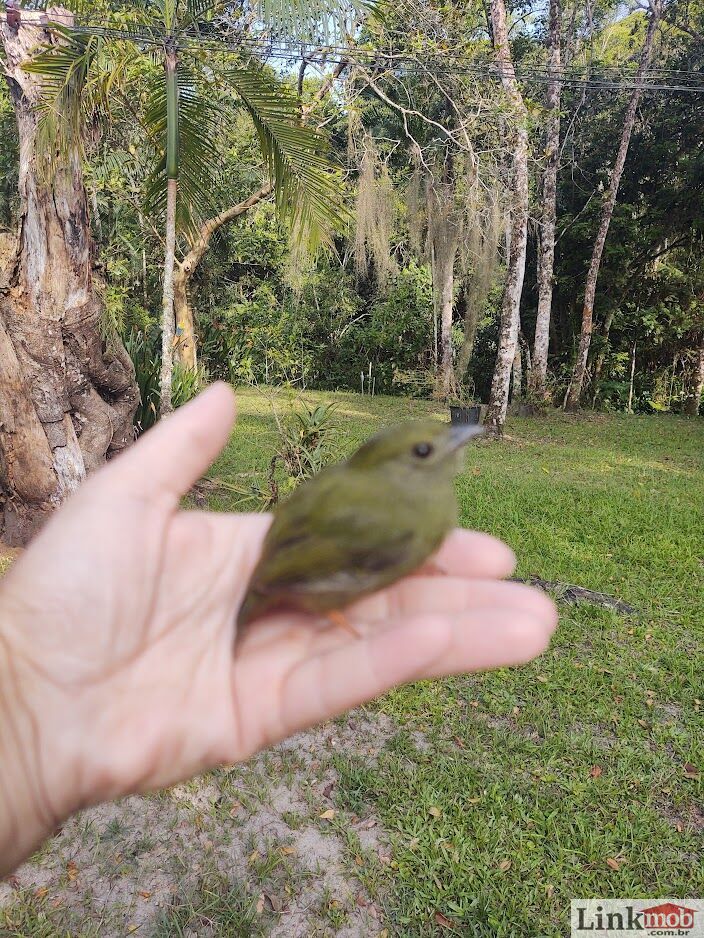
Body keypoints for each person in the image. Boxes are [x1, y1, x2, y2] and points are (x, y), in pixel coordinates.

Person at [0, 384, 557, 874]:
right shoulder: (403, 519)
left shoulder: (406, 505)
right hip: (285, 574)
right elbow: (313, 563)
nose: (455, 443)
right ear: (399, 466)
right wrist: (284, 594)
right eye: (425, 449)